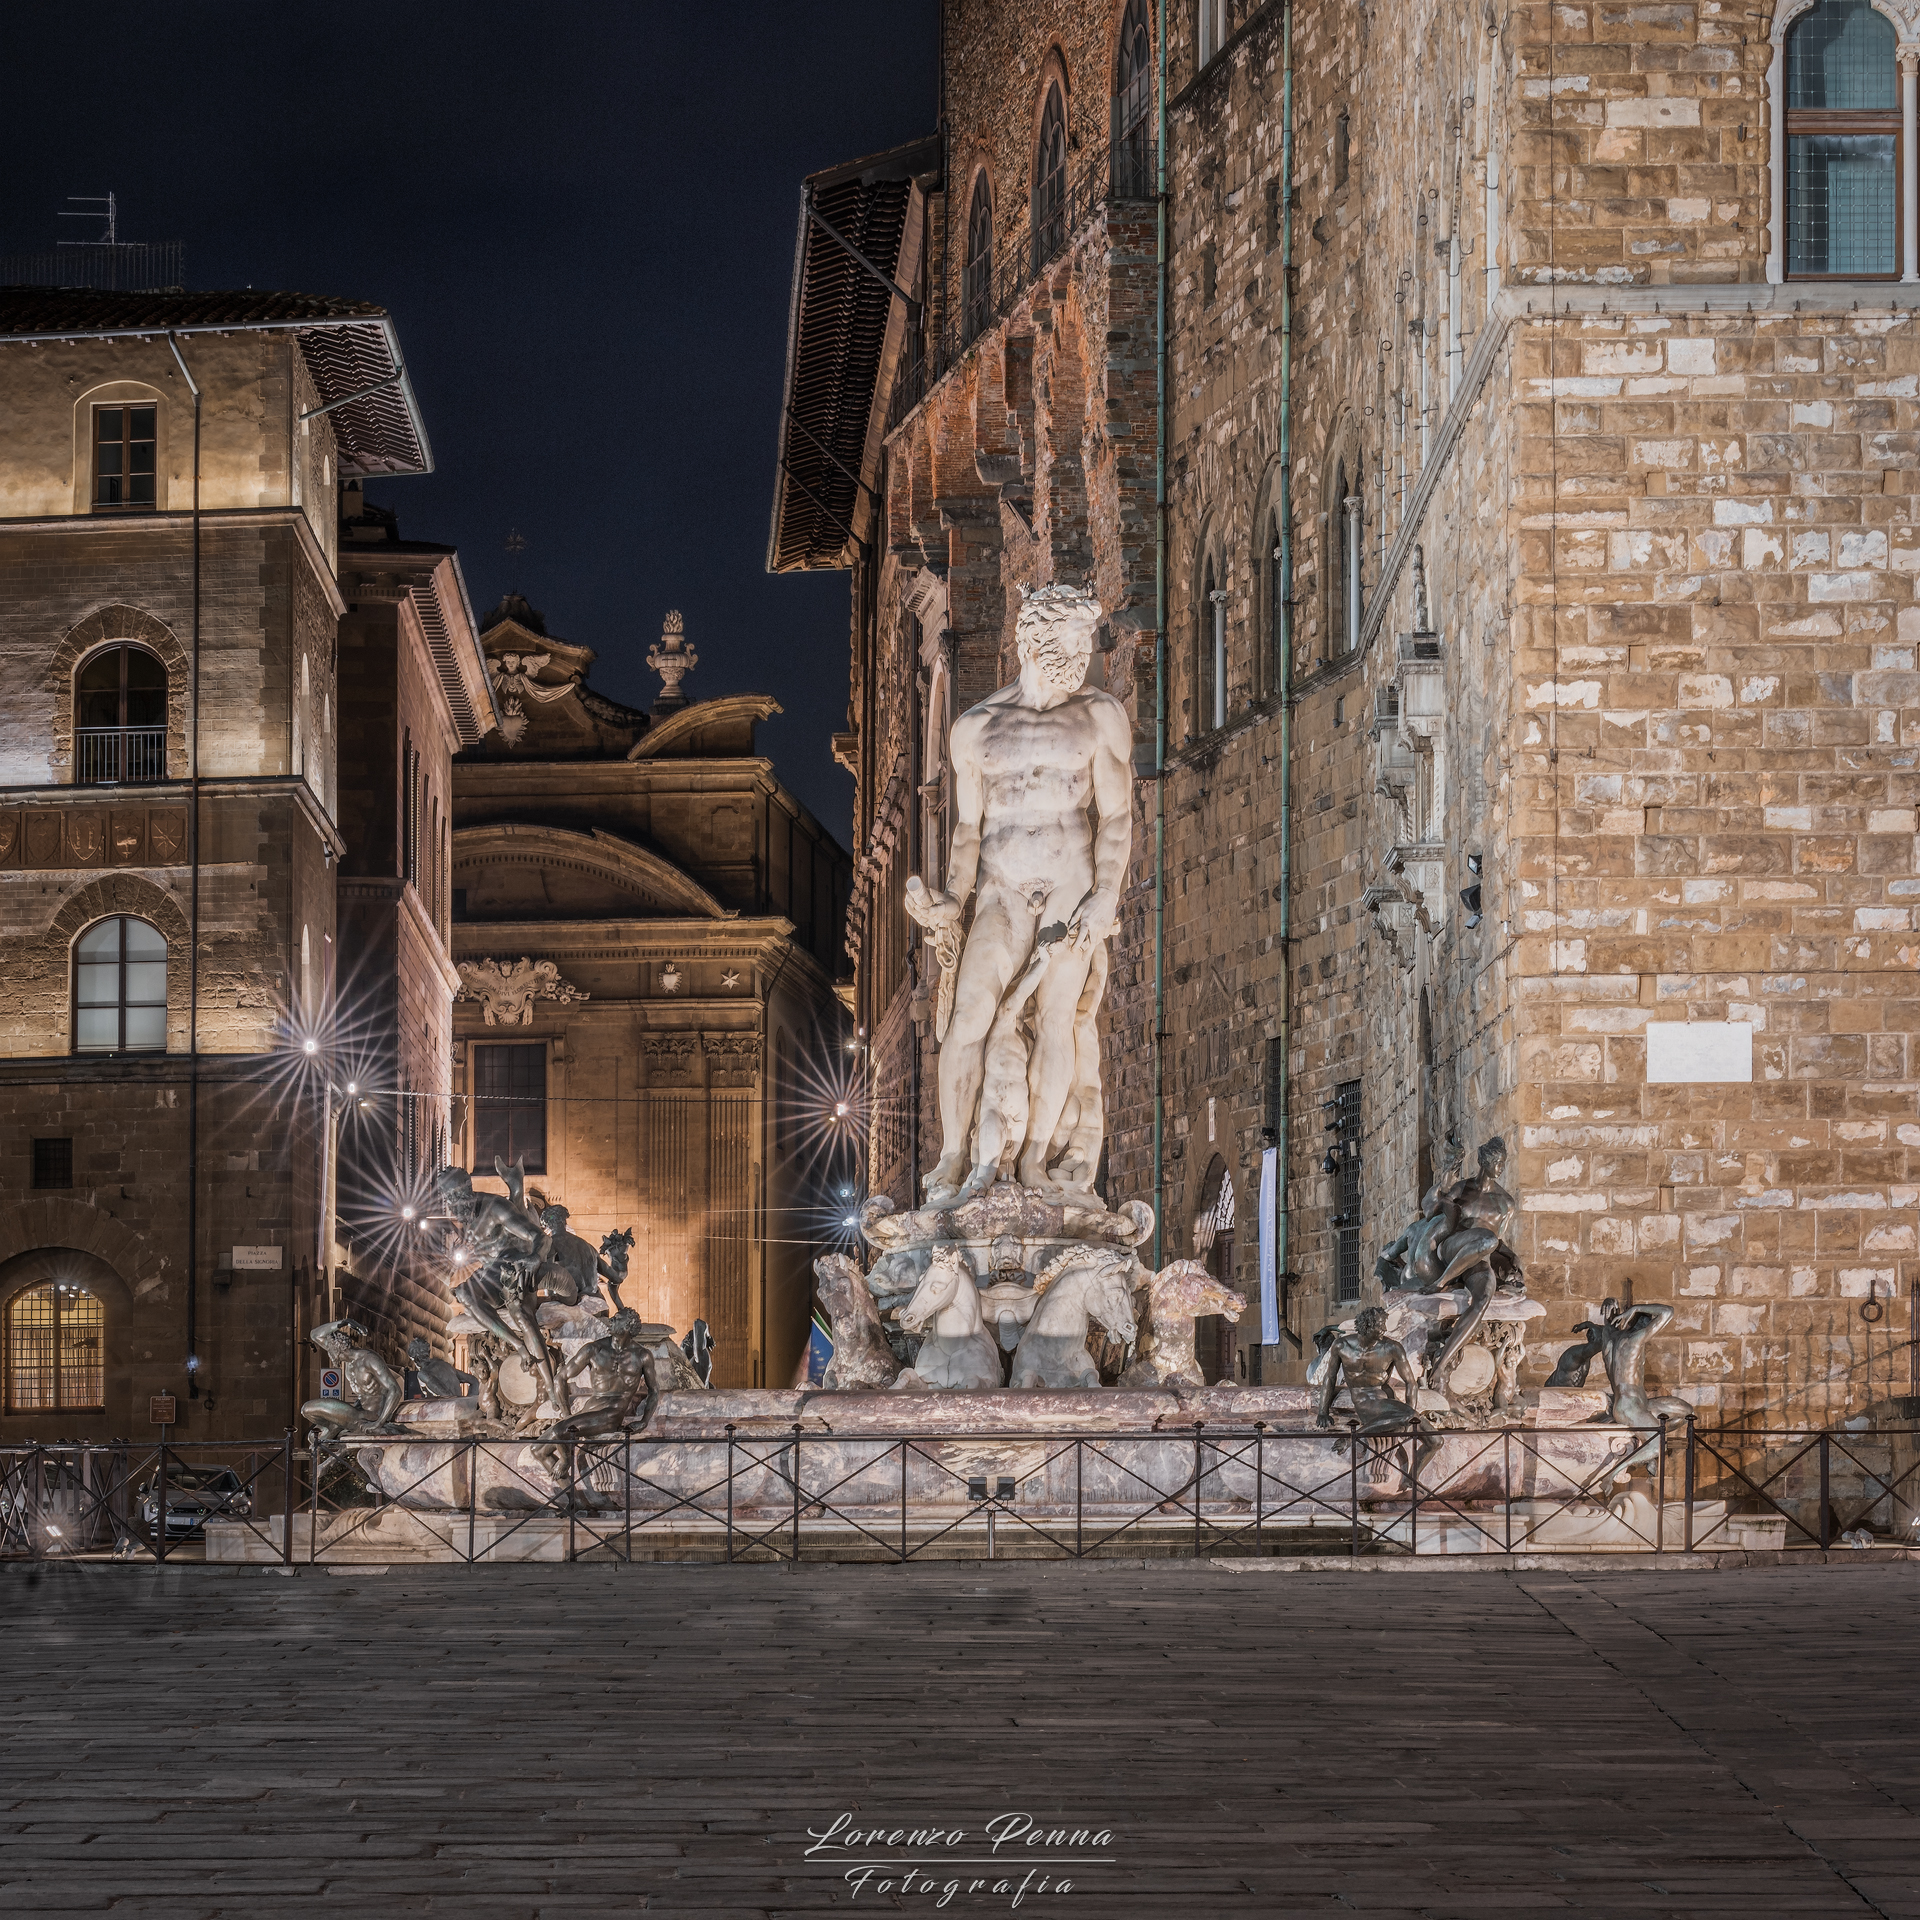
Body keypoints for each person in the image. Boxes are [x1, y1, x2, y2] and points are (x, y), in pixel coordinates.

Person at [905, 584, 1133, 1204]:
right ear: (1036, 640)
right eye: (1073, 641)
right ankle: (954, 1158)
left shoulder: (1098, 715)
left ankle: (1035, 1160)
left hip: (1070, 885)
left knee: (1057, 1017)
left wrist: (1105, 893)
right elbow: (970, 829)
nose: (1083, 654)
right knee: (967, 1018)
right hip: (1001, 890)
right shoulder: (975, 729)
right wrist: (952, 900)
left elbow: (1116, 817)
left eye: (1086, 641)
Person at [1314, 1305, 1437, 1490]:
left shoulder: (1392, 1348)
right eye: (1380, 1325)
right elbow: (1330, 1378)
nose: (1384, 1330)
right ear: (1368, 1326)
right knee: (1407, 1417)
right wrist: (1322, 1411)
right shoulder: (1342, 1346)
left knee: (1436, 1441)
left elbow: (1411, 1382)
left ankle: (1411, 1478)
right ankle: (1350, 1439)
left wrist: (1411, 1410)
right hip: (1364, 1403)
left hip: (1386, 1403)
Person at [301, 1320, 402, 1438]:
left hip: (369, 1416)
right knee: (313, 1436)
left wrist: (378, 1423)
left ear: (339, 1350)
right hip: (355, 1412)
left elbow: (395, 1390)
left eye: (330, 1352)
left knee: (307, 1408)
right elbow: (315, 1335)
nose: (329, 1354)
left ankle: (335, 1427)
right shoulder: (348, 1362)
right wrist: (344, 1322)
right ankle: (334, 1427)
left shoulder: (369, 1359)